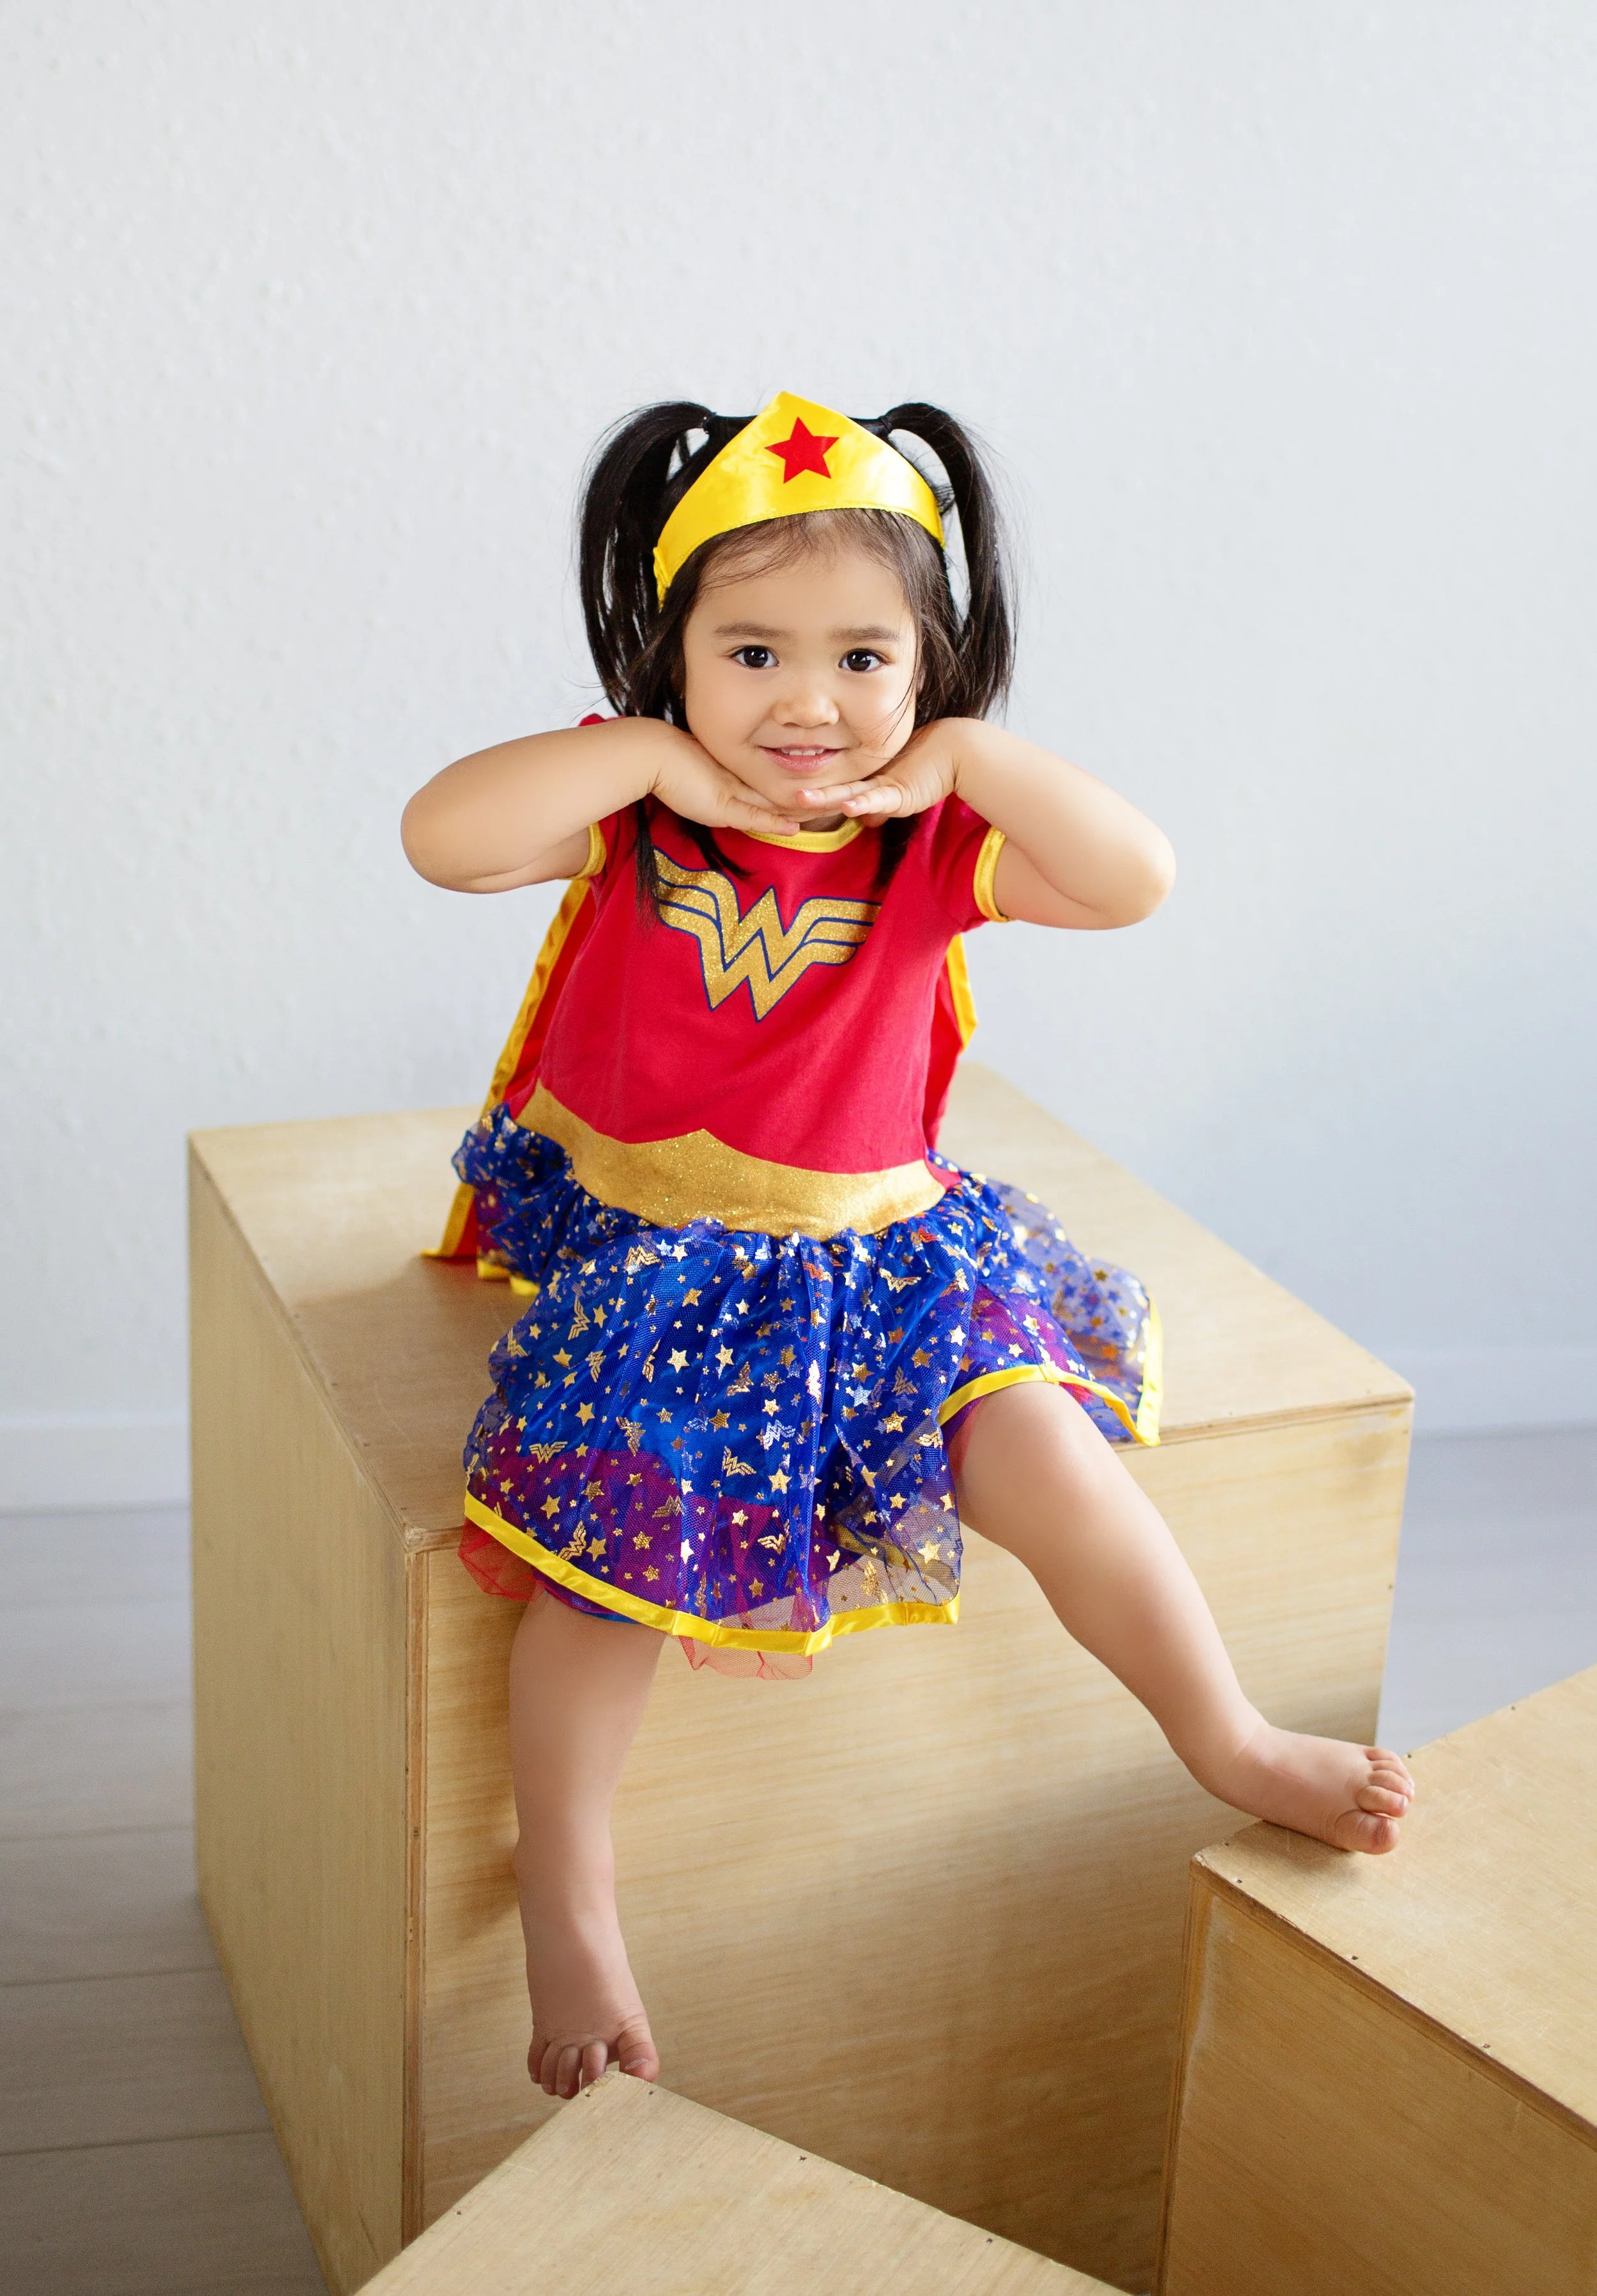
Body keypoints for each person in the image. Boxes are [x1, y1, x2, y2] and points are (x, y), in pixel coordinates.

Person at [401, 392, 1414, 2105]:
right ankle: (570, 1899)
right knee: (604, 1568)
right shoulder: (637, 816)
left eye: (865, 659)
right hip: (670, 1266)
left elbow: (1136, 878)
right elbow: (444, 839)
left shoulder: (932, 841)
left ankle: (1227, 1733)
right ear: (672, 655)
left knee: (1047, 1457)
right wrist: (649, 754)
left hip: (886, 1249)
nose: (809, 702)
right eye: (751, 654)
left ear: (930, 670)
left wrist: (968, 760)